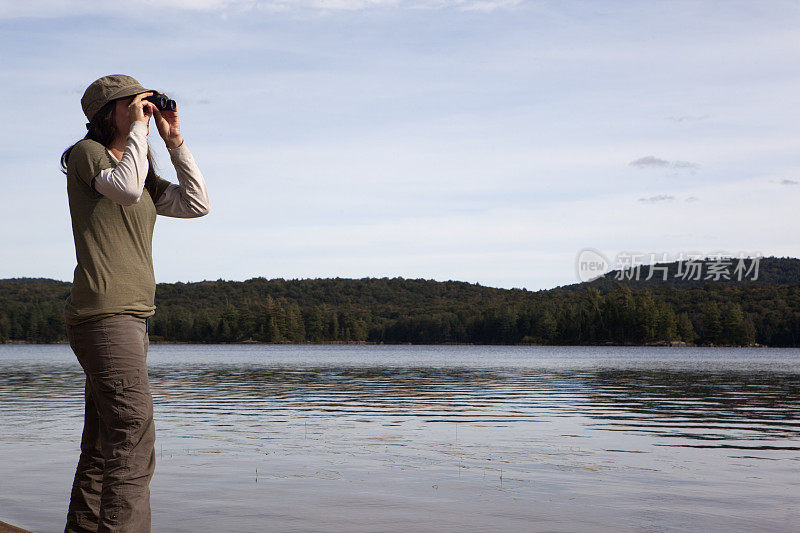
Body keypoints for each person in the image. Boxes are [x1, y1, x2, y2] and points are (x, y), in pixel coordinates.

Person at [61, 74, 210, 532]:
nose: (145, 109)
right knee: (133, 438)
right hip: (104, 315)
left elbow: (196, 203)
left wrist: (174, 140)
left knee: (104, 441)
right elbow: (124, 189)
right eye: (137, 103)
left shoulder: (141, 168)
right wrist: (140, 135)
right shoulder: (88, 156)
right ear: (111, 112)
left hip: (132, 317)